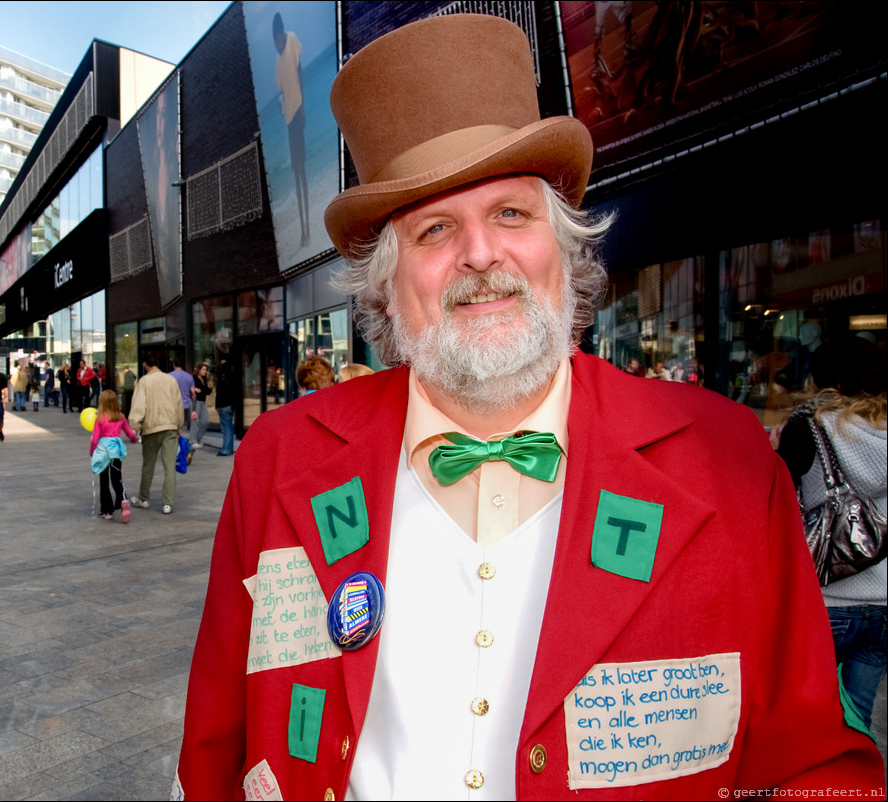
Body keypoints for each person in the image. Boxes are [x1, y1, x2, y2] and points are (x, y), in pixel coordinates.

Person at [175, 15, 882, 800]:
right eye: (435, 229)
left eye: (510, 214)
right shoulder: (280, 458)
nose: (480, 254)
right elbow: (214, 745)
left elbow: (816, 763)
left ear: (564, 247)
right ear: (386, 283)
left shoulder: (726, 458)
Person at [775, 336, 887, 743]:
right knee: (859, 713)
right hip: (885, 601)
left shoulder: (812, 426)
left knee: (808, 709)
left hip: (828, 598)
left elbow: (779, 491)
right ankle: (857, 780)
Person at [128, 353, 183, 515]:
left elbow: (139, 406)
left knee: (148, 465)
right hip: (170, 427)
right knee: (169, 466)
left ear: (145, 365)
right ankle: (168, 503)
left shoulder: (144, 381)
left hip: (150, 428)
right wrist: (179, 425)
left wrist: (134, 428)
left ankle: (144, 499)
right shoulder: (170, 380)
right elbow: (178, 404)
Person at [273, 11, 309, 248]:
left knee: (302, 170)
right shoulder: (277, 63)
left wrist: (303, 106)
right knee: (296, 171)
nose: (275, 44)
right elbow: (282, 90)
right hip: (288, 121)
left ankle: (307, 227)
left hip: (297, 115)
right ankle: (304, 230)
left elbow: (299, 74)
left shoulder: (292, 40)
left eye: (276, 39)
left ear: (281, 34)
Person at [91, 389, 139, 522]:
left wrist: (92, 452)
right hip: (116, 452)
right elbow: (130, 433)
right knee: (117, 479)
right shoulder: (121, 416)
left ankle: (107, 510)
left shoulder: (100, 418)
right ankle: (123, 499)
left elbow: (95, 438)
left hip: (103, 452)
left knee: (104, 481)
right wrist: (134, 439)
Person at [213, 357, 239, 457]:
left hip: (223, 405)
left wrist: (217, 405)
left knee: (226, 428)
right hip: (231, 405)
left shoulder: (221, 379)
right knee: (230, 428)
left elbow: (218, 394)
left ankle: (225, 449)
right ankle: (229, 448)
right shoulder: (232, 378)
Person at [170, 357, 197, 442]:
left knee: (172, 428)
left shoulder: (169, 376)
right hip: (185, 405)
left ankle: (174, 447)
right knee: (182, 428)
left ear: (174, 364)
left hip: (172, 406)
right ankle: (183, 448)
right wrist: (194, 409)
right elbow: (193, 394)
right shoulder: (189, 377)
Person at [190, 363, 212, 449]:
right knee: (195, 422)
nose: (205, 371)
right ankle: (193, 441)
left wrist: (210, 388)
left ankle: (198, 439)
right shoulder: (193, 378)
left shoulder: (204, 378)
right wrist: (194, 389)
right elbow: (189, 387)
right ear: (199, 370)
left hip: (203, 402)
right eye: (204, 369)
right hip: (196, 401)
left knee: (205, 422)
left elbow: (206, 392)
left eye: (206, 370)